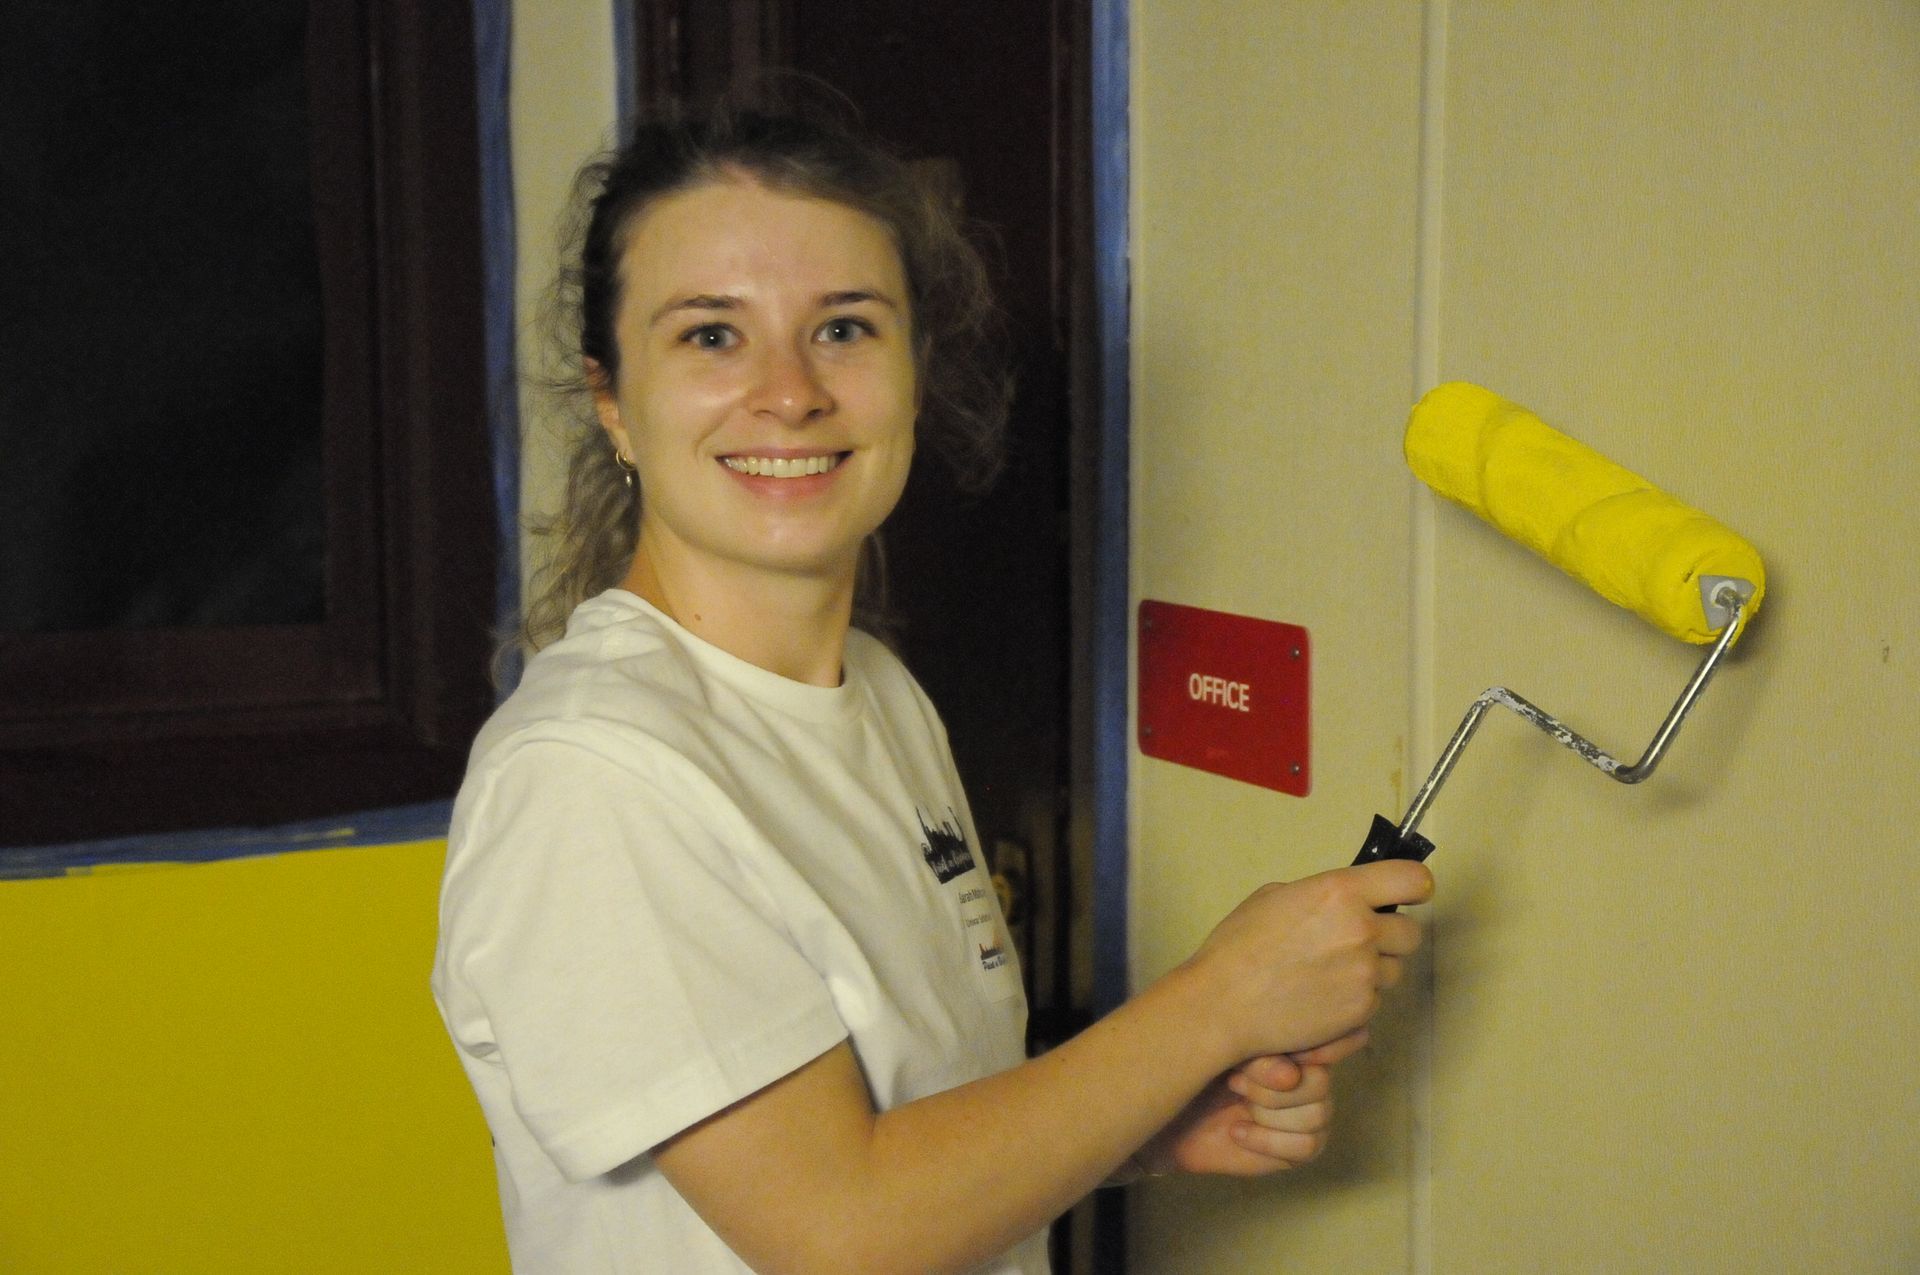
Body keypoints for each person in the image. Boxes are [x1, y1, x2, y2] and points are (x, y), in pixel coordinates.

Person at [430, 93, 1433, 1275]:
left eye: (844, 328)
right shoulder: (592, 778)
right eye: (710, 335)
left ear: (911, 371)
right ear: (613, 405)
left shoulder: (879, 693)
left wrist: (1148, 1126)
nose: (791, 392)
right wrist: (1218, 1003)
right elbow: (839, 1225)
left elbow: (901, 1123)